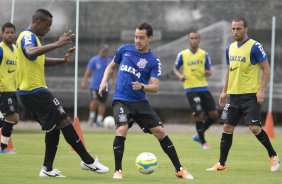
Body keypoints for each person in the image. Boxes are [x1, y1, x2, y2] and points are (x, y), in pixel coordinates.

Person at [16, 9, 109, 177]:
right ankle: (88, 162)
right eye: (47, 25)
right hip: (34, 91)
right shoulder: (28, 36)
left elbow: (39, 60)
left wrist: (62, 60)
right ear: (37, 22)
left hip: (30, 92)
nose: (49, 29)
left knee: (54, 127)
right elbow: (30, 53)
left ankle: (47, 169)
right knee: (64, 120)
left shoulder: (33, 38)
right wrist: (57, 45)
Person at [99, 22, 194, 180]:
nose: (137, 40)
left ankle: (179, 169)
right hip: (121, 100)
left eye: (141, 38)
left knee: (160, 132)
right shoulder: (124, 50)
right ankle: (118, 171)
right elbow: (110, 67)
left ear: (150, 38)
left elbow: (155, 87)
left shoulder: (153, 61)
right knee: (122, 129)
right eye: (136, 37)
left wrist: (142, 86)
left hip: (140, 102)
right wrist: (104, 81)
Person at [207, 17, 280, 172]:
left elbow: (266, 70)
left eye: (238, 28)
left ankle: (273, 155)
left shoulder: (255, 46)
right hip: (233, 95)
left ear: (245, 29)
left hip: (250, 95)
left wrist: (261, 90)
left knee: (254, 127)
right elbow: (229, 70)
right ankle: (221, 163)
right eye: (233, 29)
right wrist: (224, 90)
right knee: (227, 127)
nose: (235, 31)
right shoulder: (230, 48)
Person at [173, 31, 218, 149]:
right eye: (192, 38)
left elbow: (209, 71)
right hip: (190, 88)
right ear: (189, 40)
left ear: (199, 40)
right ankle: (203, 142)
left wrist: (207, 72)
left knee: (214, 114)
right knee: (198, 115)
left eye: (196, 38)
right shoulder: (182, 54)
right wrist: (180, 76)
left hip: (203, 87)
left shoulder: (204, 54)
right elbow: (175, 69)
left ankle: (199, 134)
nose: (194, 40)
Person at [81, 44, 113, 127]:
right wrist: (84, 81)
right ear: (100, 51)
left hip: (105, 86)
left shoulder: (109, 61)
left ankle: (99, 120)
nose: (104, 53)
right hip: (95, 86)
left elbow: (113, 73)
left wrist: (113, 82)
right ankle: (91, 117)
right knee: (94, 101)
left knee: (102, 103)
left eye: (106, 51)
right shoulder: (94, 60)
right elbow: (88, 71)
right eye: (103, 51)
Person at [0, 22, 19, 153]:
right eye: (7, 32)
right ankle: (3, 147)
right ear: (2, 34)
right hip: (3, 89)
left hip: (13, 89)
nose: (10, 34)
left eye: (12, 32)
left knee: (14, 119)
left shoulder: (15, 49)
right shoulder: (1, 49)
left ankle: (3, 147)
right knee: (11, 118)